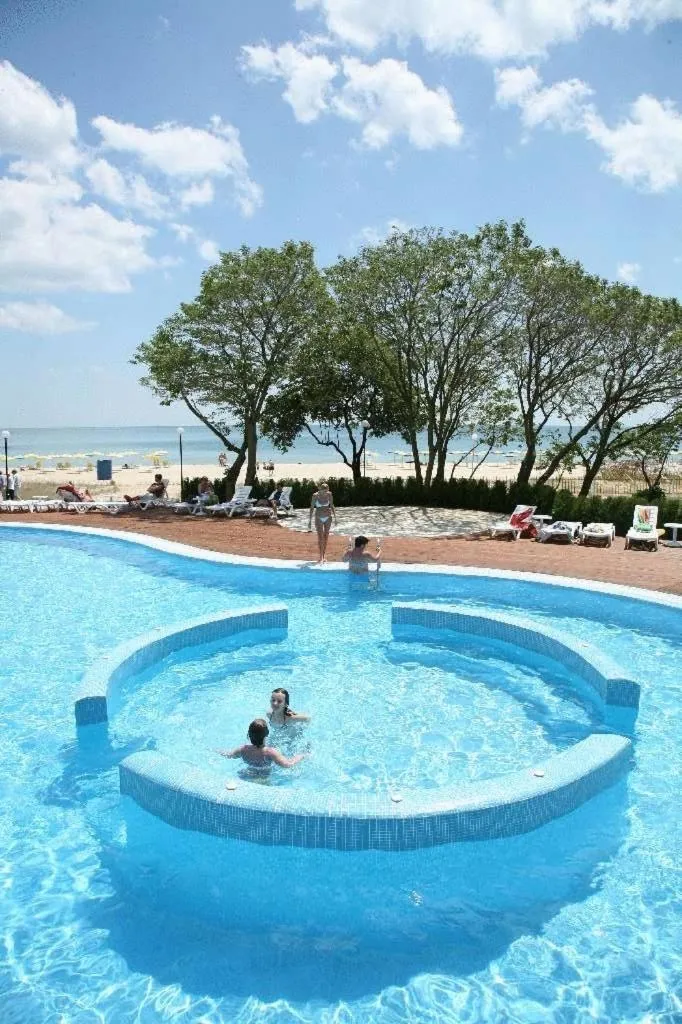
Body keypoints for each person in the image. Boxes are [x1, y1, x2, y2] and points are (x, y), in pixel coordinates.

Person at [217, 718, 305, 772]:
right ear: (267, 734)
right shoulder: (270, 752)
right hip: (263, 778)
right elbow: (287, 764)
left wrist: (217, 751)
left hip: (247, 774)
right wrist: (301, 756)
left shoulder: (243, 749)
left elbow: (229, 755)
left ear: (249, 735)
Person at [308, 480, 336, 563]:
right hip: (318, 517)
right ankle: (320, 557)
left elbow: (332, 505)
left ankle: (323, 555)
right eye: (324, 491)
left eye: (327, 491)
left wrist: (335, 517)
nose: (326, 492)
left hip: (328, 517)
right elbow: (312, 508)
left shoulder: (329, 494)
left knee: (326, 536)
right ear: (320, 489)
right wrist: (309, 521)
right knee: (320, 537)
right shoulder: (315, 496)